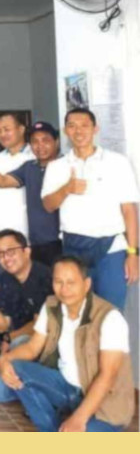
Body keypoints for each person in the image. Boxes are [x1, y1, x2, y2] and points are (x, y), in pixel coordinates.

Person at [0, 256, 134, 432]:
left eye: (71, 282)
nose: (64, 289)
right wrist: (4, 359)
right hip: (66, 387)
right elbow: (32, 348)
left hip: (105, 401)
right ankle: (51, 430)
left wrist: (79, 418)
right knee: (15, 368)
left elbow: (107, 376)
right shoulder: (51, 306)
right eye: (58, 282)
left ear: (86, 284)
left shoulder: (110, 318)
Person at [40, 108, 139, 310]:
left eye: (85, 125)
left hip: (111, 249)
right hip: (73, 248)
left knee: (111, 312)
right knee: (78, 311)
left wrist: (133, 253)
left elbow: (129, 211)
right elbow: (48, 205)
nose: (78, 131)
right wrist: (67, 189)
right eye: (72, 126)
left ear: (95, 129)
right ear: (65, 131)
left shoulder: (117, 162)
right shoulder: (56, 166)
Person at [0, 121, 62, 267]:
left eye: (45, 140)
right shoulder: (29, 167)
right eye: (35, 141)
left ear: (56, 141)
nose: (40, 145)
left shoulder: (66, 165)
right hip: (35, 242)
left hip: (61, 240)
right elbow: (2, 181)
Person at [0, 229, 53, 403]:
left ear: (26, 251)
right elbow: (2, 325)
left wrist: (10, 337)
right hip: (19, 341)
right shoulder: (4, 281)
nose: (6, 258)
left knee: (20, 343)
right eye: (1, 254)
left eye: (11, 251)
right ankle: (32, 390)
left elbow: (39, 325)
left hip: (46, 341)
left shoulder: (45, 277)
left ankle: (41, 393)